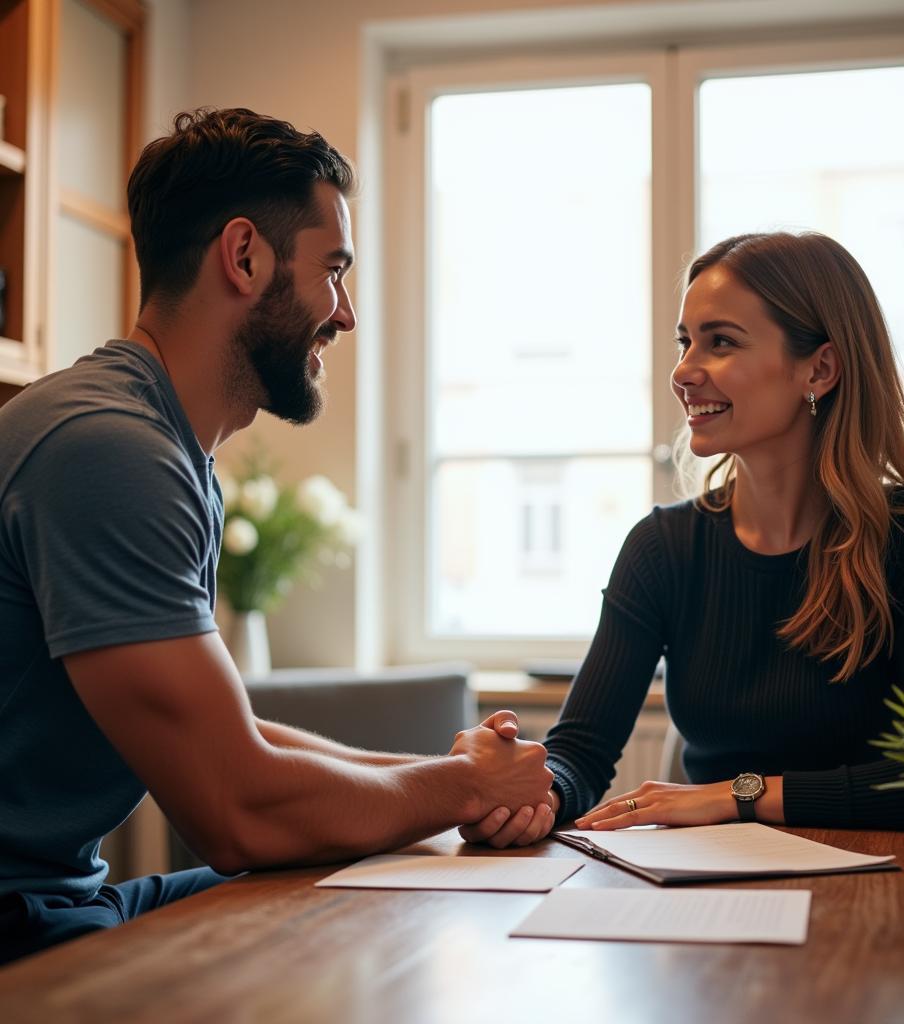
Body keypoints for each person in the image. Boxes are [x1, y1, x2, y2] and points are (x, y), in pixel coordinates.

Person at [0, 108, 552, 964]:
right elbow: (237, 807)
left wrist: (444, 779)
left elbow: (234, 736)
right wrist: (464, 783)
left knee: (399, 867)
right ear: (246, 255)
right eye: (334, 271)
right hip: (20, 920)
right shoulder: (108, 451)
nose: (346, 315)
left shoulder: (155, 445)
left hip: (63, 898)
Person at [461, 230, 904, 850]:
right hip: (705, 880)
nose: (684, 371)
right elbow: (581, 749)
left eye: (721, 342)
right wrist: (527, 795)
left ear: (818, 368)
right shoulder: (663, 547)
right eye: (686, 342)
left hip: (876, 887)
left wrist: (741, 794)